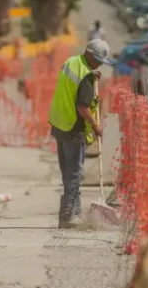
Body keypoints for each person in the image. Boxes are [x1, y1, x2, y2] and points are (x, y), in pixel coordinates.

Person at [48, 39, 114, 229]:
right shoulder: (86, 75)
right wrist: (95, 125)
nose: (100, 63)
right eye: (99, 60)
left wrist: (92, 77)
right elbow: (82, 107)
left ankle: (73, 212)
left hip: (59, 124)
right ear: (91, 56)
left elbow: (71, 86)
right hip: (73, 127)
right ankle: (68, 216)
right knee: (75, 174)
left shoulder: (72, 62)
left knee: (67, 172)